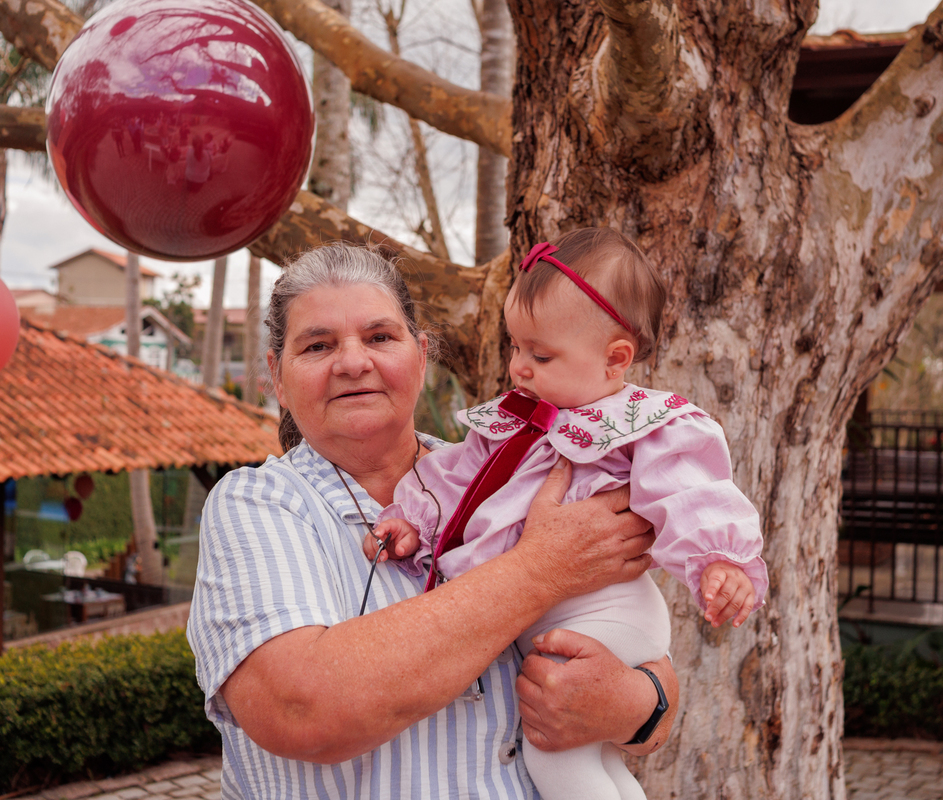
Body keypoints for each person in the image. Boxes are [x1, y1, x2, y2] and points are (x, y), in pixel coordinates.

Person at [187, 243, 679, 800]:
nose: (353, 362)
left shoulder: (511, 472)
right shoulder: (258, 504)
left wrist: (637, 703)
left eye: (379, 337)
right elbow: (299, 709)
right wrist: (541, 569)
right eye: (318, 345)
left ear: (421, 357)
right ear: (278, 375)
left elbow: (643, 664)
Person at [367, 228, 768, 800]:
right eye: (515, 348)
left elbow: (689, 491)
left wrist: (719, 559)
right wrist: (411, 517)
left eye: (541, 354)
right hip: (556, 614)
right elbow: (455, 478)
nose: (519, 368)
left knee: (554, 756)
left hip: (604, 609)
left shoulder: (638, 424)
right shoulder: (513, 422)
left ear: (615, 359)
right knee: (595, 765)